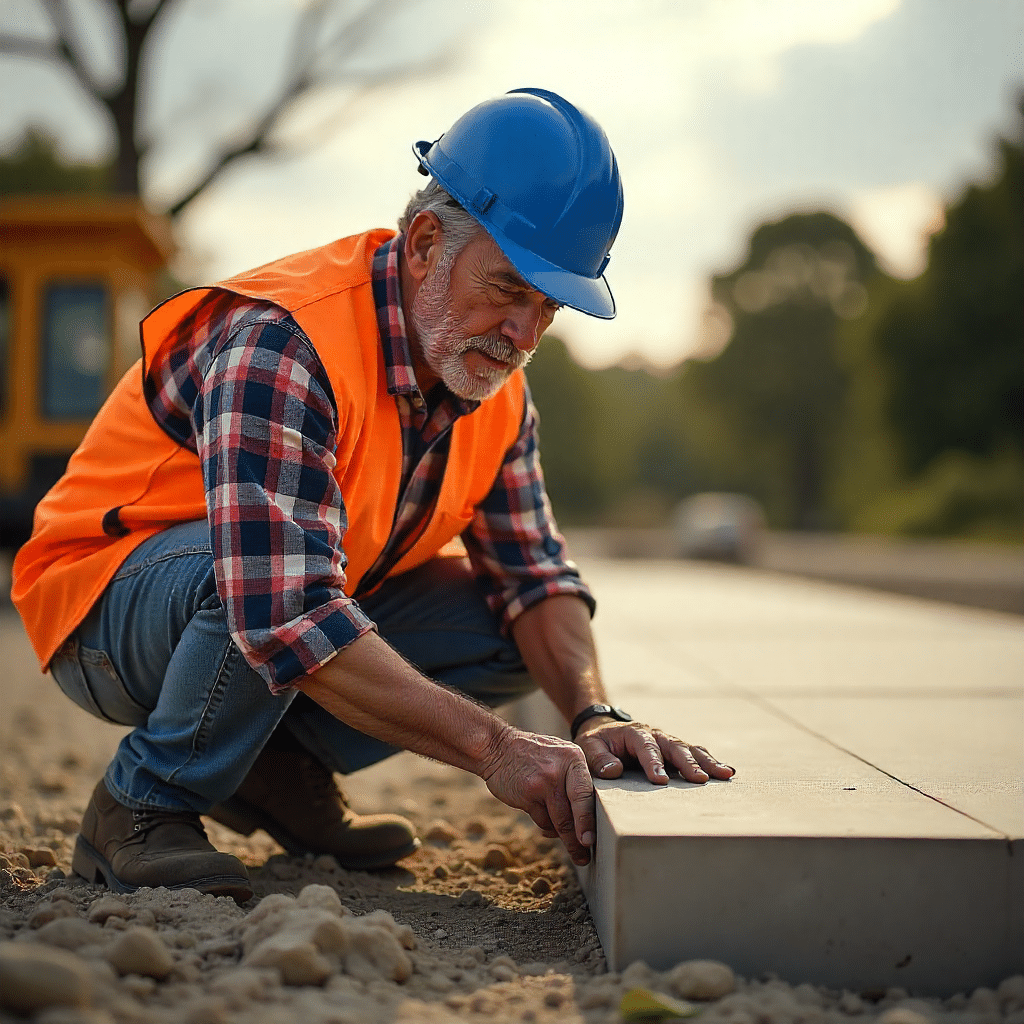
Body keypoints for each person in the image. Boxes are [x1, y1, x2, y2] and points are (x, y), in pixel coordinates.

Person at [12, 88, 734, 903]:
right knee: (254, 576)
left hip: (264, 605)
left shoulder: (492, 388)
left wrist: (593, 713)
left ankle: (277, 770)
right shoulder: (286, 342)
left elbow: (536, 577)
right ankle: (142, 806)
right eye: (507, 288)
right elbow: (283, 609)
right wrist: (498, 749)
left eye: (548, 308)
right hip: (106, 608)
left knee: (506, 620)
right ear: (426, 242)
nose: (524, 334)